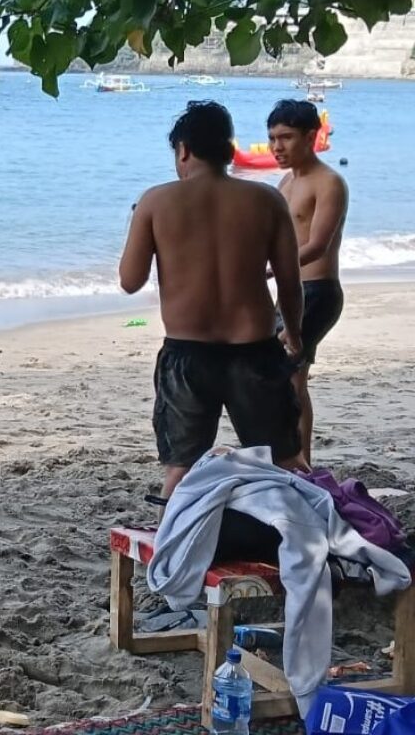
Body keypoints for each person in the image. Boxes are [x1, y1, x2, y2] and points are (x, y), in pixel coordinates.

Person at [119, 102, 307, 498]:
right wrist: (293, 334)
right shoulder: (267, 201)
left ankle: (172, 557)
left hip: (188, 357)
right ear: (227, 149)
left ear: (183, 150)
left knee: (180, 472)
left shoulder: (155, 201)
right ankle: (309, 549)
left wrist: (140, 223)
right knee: (288, 462)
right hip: (255, 352)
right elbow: (290, 284)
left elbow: (130, 280)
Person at [268, 99, 348, 467]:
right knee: (276, 375)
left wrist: (267, 268)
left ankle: (301, 465)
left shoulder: (329, 182)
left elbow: (317, 246)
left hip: (317, 292)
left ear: (311, 136)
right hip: (288, 289)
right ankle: (292, 458)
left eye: (285, 137)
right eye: (272, 138)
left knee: (292, 378)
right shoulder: (285, 181)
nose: (276, 147)